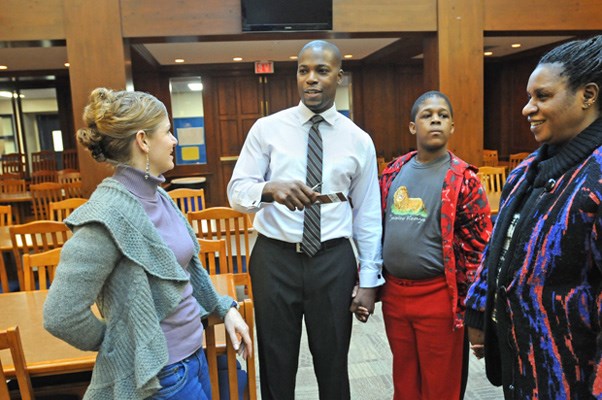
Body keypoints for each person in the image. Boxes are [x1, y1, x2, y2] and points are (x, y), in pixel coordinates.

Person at [43, 87, 252, 400]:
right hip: (162, 377)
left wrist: (224, 308)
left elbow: (186, 273)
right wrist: (121, 344)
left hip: (193, 361)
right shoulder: (106, 215)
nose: (174, 141)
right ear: (143, 141)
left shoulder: (159, 196)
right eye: (167, 132)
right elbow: (61, 314)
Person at [227, 40, 383, 399]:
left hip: (333, 261)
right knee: (276, 363)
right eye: (303, 70)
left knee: (333, 364)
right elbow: (236, 192)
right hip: (274, 258)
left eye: (322, 71)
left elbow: (368, 214)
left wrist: (371, 279)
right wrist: (269, 189)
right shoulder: (267, 129)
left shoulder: (358, 141)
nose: (311, 79)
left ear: (339, 78)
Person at [465, 35, 602, 399]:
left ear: (588, 95)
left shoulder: (597, 177)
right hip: (522, 364)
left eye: (542, 96)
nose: (528, 108)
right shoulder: (526, 170)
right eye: (529, 97)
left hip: (573, 377)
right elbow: (497, 246)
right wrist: (480, 313)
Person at [374, 91, 492, 399]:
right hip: (395, 295)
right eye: (427, 115)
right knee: (405, 378)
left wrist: (475, 312)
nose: (435, 119)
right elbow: (376, 229)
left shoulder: (463, 179)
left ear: (452, 126)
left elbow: (479, 252)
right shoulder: (392, 172)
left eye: (442, 115)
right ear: (413, 127)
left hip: (440, 296)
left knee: (440, 384)